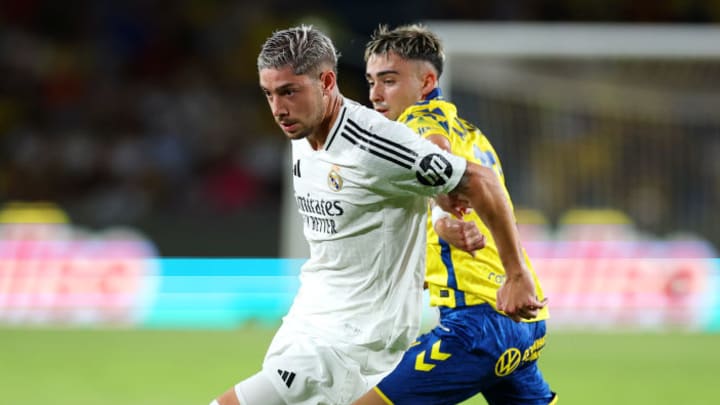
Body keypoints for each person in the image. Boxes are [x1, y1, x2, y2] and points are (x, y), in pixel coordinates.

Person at [210, 25, 544, 405]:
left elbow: (475, 178)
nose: (277, 109)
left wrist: (518, 275)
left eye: (288, 92)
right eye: (268, 94)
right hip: (307, 322)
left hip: (349, 342)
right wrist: (439, 217)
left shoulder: (379, 141)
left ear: (326, 82)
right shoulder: (303, 130)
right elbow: (403, 198)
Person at [354, 24, 557, 404]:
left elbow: (434, 158)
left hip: (479, 323)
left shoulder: (417, 124)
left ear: (426, 81)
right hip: (519, 318)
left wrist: (440, 218)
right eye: (371, 82)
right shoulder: (472, 133)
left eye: (389, 81)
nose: (375, 95)